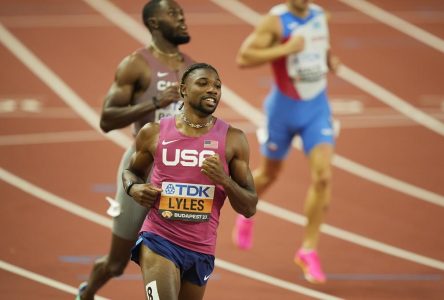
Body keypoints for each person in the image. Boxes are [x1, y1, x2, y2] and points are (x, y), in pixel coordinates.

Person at [76, 1, 195, 299]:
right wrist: (155, 103)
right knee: (117, 263)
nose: (181, 19)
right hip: (143, 169)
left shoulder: (191, 68)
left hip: (179, 174)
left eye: (182, 14)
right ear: (154, 24)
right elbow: (106, 119)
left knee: (177, 256)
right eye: (173, 14)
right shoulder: (136, 65)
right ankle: (87, 293)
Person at [123, 62, 258, 300]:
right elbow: (131, 171)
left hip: (201, 249)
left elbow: (248, 207)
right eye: (203, 83)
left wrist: (224, 180)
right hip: (159, 239)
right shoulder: (154, 132)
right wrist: (133, 188)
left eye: (217, 85)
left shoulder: (233, 140)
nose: (213, 90)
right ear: (184, 90)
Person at [232, 0, 340, 284]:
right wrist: (285, 48)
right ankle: (246, 212)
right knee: (270, 173)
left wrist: (329, 60)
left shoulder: (321, 16)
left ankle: (308, 250)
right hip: (282, 112)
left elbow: (320, 48)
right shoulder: (275, 22)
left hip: (317, 111)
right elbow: (243, 58)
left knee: (323, 177)